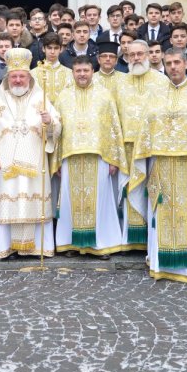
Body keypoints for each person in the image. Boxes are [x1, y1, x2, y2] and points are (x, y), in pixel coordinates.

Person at [129, 48, 187, 283]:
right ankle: (161, 264)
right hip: (160, 163)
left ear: (186, 64)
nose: (173, 67)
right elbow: (145, 128)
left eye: (176, 63)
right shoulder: (155, 95)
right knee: (161, 212)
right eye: (168, 63)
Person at [0, 48, 63, 259]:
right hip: (6, 161)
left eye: (22, 76)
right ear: (8, 77)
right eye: (14, 76)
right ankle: (7, 247)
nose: (18, 80)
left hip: (35, 162)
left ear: (29, 77)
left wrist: (49, 122)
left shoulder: (41, 97)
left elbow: (56, 127)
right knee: (9, 202)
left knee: (34, 202)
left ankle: (37, 247)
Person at [52, 57, 128, 258]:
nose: (82, 74)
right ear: (72, 73)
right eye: (78, 71)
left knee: (100, 201)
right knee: (70, 202)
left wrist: (113, 158)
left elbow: (113, 128)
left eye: (85, 70)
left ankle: (99, 244)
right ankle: (71, 243)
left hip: (99, 156)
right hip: (70, 157)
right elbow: (58, 131)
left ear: (92, 71)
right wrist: (56, 160)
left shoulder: (104, 95)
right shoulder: (63, 97)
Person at [112, 40, 169, 250]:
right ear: (127, 57)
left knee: (153, 189)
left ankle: (152, 240)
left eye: (140, 54)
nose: (136, 58)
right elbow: (114, 118)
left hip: (153, 147)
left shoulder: (162, 81)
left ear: (148, 55)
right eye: (132, 54)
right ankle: (132, 239)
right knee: (131, 190)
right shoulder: (120, 83)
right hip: (128, 146)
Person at [32, 32, 73, 106]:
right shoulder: (33, 74)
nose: (52, 52)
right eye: (49, 48)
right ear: (43, 49)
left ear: (61, 49)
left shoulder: (70, 74)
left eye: (56, 48)